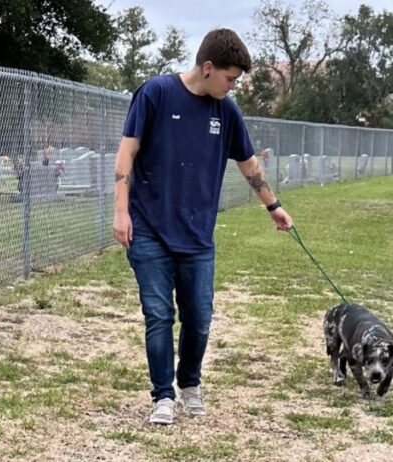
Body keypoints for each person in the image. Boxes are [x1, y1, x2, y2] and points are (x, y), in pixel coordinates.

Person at [112, 28, 292, 425]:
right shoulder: (155, 94)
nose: (232, 86)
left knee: (199, 317)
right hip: (148, 229)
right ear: (207, 68)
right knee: (158, 314)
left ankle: (189, 383)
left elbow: (248, 163)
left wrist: (273, 206)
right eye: (230, 78)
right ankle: (162, 395)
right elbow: (127, 153)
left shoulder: (226, 111)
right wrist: (121, 212)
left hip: (196, 236)